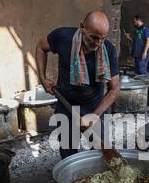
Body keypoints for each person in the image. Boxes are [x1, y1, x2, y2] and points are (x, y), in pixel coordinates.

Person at [36, 11, 120, 159]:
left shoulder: (109, 49)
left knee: (101, 153)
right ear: (82, 27)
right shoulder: (62, 37)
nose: (98, 43)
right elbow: (41, 47)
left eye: (103, 38)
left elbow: (114, 89)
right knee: (68, 154)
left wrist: (94, 116)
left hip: (95, 107)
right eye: (94, 37)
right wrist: (42, 78)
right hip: (66, 105)